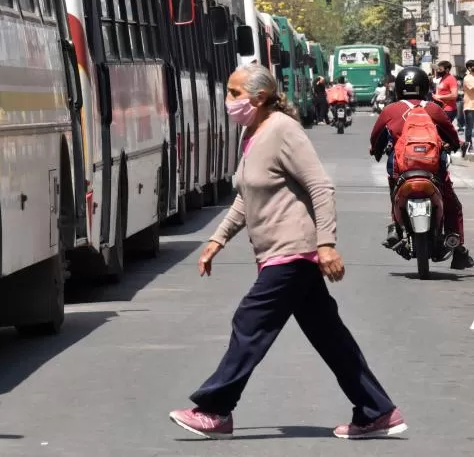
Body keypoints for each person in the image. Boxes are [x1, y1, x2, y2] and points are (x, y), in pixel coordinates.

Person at [169, 64, 406, 441]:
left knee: (249, 323)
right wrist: (217, 240)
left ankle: (215, 410)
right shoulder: (253, 133)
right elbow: (246, 198)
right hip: (280, 254)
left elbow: (321, 187)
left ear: (259, 97)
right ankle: (377, 411)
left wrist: (326, 243)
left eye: (234, 93)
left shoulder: (283, 130)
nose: (228, 101)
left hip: (293, 252)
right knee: (330, 336)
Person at [369, 66, 473, 269]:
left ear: (398, 88)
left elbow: (375, 139)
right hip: (433, 170)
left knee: (395, 194)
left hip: (401, 171)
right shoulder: (433, 109)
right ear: (425, 86)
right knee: (452, 205)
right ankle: (458, 249)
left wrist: (376, 150)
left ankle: (397, 231)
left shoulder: (391, 110)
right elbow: (452, 136)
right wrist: (453, 145)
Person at [463, 60, 474, 156]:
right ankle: (468, 145)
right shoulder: (468, 78)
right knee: (469, 128)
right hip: (470, 106)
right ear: (469, 68)